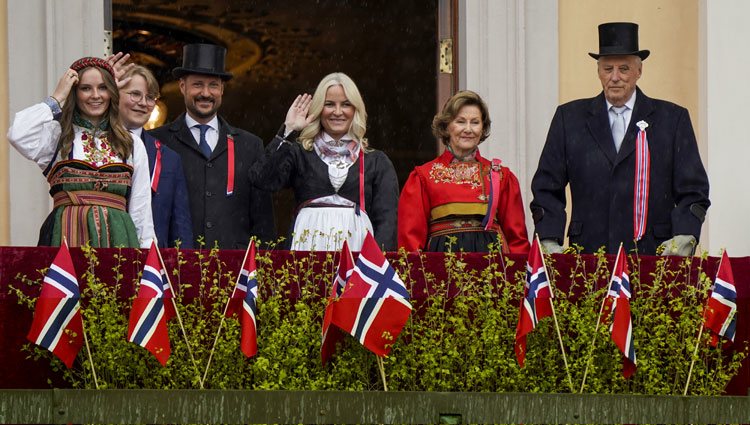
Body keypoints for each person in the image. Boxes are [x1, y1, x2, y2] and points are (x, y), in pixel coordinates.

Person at [530, 22, 710, 256]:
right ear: (598, 71)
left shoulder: (672, 119)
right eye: (608, 69)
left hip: (653, 255)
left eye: (624, 68)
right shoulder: (569, 118)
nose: (615, 77)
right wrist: (549, 239)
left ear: (639, 71)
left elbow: (693, 189)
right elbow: (546, 187)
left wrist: (685, 235)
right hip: (588, 254)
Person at [7, 57, 155, 248]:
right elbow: (17, 133)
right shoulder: (57, 135)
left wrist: (146, 259)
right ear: (74, 92)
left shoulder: (131, 143)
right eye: (86, 88)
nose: (96, 95)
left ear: (112, 92)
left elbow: (141, 210)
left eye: (103, 87)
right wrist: (56, 98)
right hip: (64, 238)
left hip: (119, 242)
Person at [249, 72, 399, 251]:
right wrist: (288, 130)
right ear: (319, 108)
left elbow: (387, 221)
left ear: (355, 109)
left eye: (346, 104)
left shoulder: (376, 161)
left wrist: (377, 267)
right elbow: (262, 179)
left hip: (359, 254)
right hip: (305, 248)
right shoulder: (300, 152)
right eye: (329, 104)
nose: (337, 112)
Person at [150, 43, 274, 249]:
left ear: (222, 89)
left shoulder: (250, 145)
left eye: (213, 85)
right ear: (182, 86)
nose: (206, 93)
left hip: (236, 269)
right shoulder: (157, 142)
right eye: (197, 84)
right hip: (176, 266)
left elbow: (263, 222)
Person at [398, 90, 530, 254]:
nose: (468, 129)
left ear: (483, 128)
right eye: (460, 121)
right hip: (440, 271)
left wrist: (518, 276)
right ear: (447, 126)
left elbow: (517, 241)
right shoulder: (423, 177)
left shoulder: (502, 177)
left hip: (493, 271)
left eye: (475, 122)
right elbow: (410, 243)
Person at [119, 64, 194, 249]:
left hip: (152, 269)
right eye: (135, 94)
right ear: (115, 95)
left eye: (150, 97)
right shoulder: (91, 143)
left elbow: (180, 229)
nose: (144, 103)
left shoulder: (169, 158)